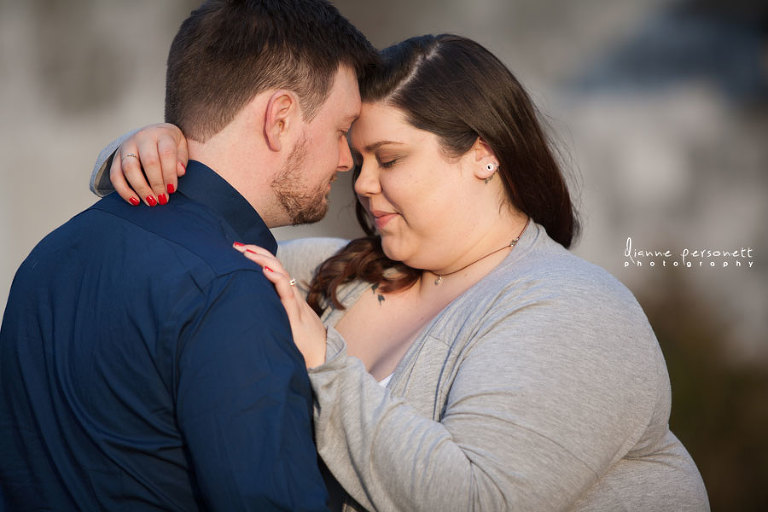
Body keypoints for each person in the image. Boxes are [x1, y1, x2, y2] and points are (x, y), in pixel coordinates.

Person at [90, 35, 710, 511]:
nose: (359, 184)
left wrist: (324, 363)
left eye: (389, 159)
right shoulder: (337, 275)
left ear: (483, 155)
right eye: (358, 158)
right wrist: (151, 149)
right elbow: (191, 264)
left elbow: (478, 499)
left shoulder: (574, 311)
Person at [0, 0, 377, 510]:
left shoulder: (50, 255)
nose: (344, 160)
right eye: (340, 130)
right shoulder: (232, 288)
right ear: (281, 118)